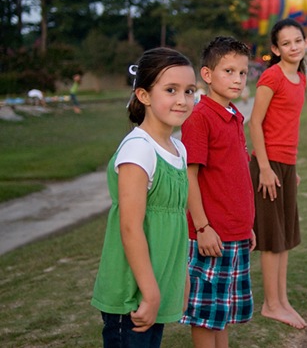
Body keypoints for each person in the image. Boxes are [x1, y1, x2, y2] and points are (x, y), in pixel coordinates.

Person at [91, 48, 197, 348]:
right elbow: (130, 227)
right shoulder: (139, 149)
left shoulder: (178, 149)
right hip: (132, 293)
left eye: (189, 91)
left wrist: (181, 279)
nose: (182, 99)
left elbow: (175, 222)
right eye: (171, 90)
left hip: (159, 284)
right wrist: (149, 292)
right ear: (144, 95)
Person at [179, 36, 256, 348]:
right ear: (207, 75)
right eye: (228, 71)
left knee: (220, 313)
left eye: (242, 72)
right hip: (210, 234)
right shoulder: (200, 118)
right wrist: (202, 227)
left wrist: (246, 226)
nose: (237, 79)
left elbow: (234, 177)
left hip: (235, 232)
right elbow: (189, 176)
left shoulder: (234, 115)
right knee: (204, 314)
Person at [248, 18, 307, 330]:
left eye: (297, 41)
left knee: (285, 237)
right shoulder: (272, 78)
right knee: (272, 240)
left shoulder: (300, 78)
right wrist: (267, 169)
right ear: (275, 49)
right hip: (267, 167)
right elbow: (254, 123)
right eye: (286, 43)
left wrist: (290, 170)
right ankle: (271, 305)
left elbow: (288, 126)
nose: (293, 47)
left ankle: (281, 301)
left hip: (286, 166)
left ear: (305, 42)